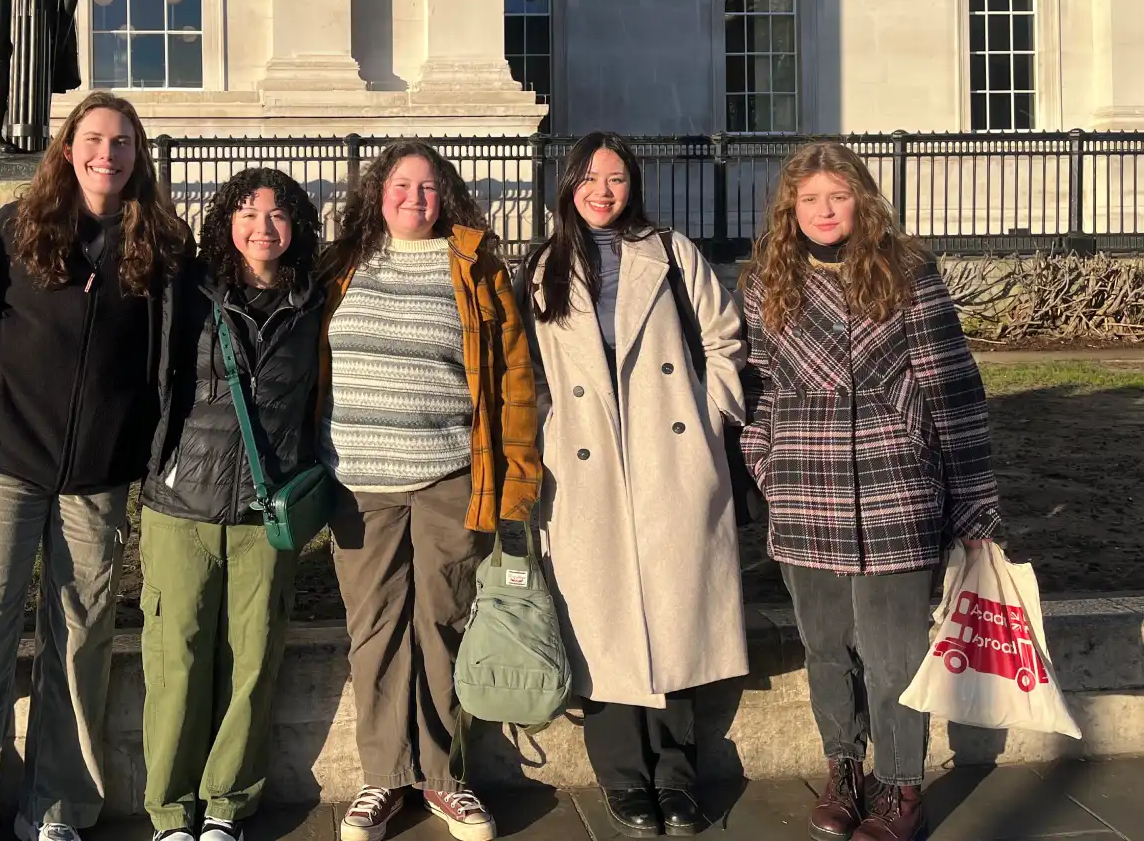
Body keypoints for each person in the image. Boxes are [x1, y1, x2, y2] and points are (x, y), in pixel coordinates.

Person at [0, 91, 191, 841]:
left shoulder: (161, 242)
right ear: (67, 149)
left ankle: (60, 807)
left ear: (139, 155)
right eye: (95, 138)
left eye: (124, 141)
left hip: (100, 478)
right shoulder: (13, 228)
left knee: (80, 638)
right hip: (10, 466)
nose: (109, 153)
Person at [739, 142, 1000, 841]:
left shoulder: (908, 275)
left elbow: (954, 391)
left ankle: (903, 785)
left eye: (838, 196)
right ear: (791, 208)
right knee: (825, 647)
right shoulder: (767, 282)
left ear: (863, 201)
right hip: (802, 490)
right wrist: (765, 457)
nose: (825, 212)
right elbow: (758, 386)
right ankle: (843, 766)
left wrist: (973, 499)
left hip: (895, 487)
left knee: (894, 655)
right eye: (810, 199)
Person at [521, 133, 748, 837]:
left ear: (633, 185)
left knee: (673, 613)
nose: (603, 190)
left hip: (668, 457)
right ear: (568, 186)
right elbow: (525, 368)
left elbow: (725, 335)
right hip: (584, 466)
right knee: (602, 619)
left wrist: (712, 412)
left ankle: (676, 774)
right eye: (590, 178)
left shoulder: (672, 253)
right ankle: (623, 776)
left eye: (616, 178)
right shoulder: (540, 266)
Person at [319, 141, 540, 841]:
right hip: (359, 483)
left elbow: (511, 378)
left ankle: (443, 777)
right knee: (375, 629)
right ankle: (383, 777)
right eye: (401, 184)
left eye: (428, 187)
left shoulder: (474, 267)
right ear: (377, 192)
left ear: (444, 197)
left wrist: (517, 480)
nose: (414, 197)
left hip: (448, 476)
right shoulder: (341, 266)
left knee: (444, 620)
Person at [141, 168, 328, 841]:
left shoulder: (315, 301)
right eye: (248, 212)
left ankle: (226, 804)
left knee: (253, 660)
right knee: (176, 657)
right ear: (225, 220)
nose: (262, 227)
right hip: (180, 502)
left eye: (278, 215)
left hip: (265, 510)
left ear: (298, 226)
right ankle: (169, 808)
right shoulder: (189, 291)